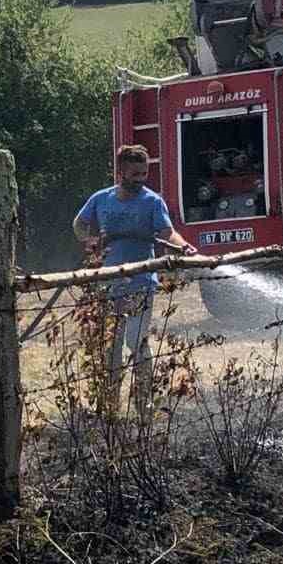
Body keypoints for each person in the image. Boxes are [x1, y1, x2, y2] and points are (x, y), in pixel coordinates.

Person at [72, 143, 194, 417]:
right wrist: (89, 241)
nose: (141, 180)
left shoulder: (152, 201)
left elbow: (167, 232)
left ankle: (143, 403)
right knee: (111, 345)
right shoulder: (101, 199)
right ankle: (110, 405)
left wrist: (183, 246)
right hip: (108, 283)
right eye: (135, 174)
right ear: (121, 173)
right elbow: (79, 224)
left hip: (141, 283)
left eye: (144, 174)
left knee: (136, 342)